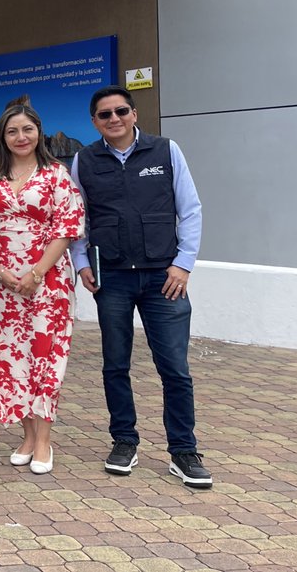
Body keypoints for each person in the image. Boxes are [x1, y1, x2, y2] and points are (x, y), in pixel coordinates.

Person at [71, 86, 211, 488]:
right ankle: (124, 441)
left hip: (162, 279)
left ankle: (183, 450)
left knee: (175, 369)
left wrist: (183, 265)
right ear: (95, 122)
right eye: (104, 114)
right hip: (111, 278)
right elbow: (77, 220)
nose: (113, 119)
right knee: (116, 365)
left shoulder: (166, 151)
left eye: (120, 111)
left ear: (133, 114)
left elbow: (191, 209)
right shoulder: (84, 160)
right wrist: (81, 264)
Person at [0, 103, 84, 475]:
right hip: (0, 283)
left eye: (27, 130)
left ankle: (43, 441)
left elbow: (66, 228)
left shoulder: (57, 175)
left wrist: (36, 273)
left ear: (39, 132)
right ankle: (25, 434)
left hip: (48, 281)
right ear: (2, 138)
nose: (21, 138)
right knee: (10, 359)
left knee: (46, 358)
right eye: (12, 131)